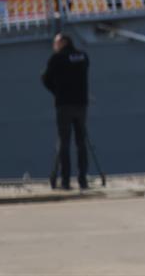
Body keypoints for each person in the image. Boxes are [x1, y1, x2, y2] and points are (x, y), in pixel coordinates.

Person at [41, 34, 90, 190]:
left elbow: (45, 78)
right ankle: (83, 179)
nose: (54, 46)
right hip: (81, 103)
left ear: (62, 42)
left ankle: (66, 181)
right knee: (81, 142)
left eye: (55, 42)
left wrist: (57, 91)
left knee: (64, 143)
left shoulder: (57, 58)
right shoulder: (83, 56)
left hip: (64, 104)